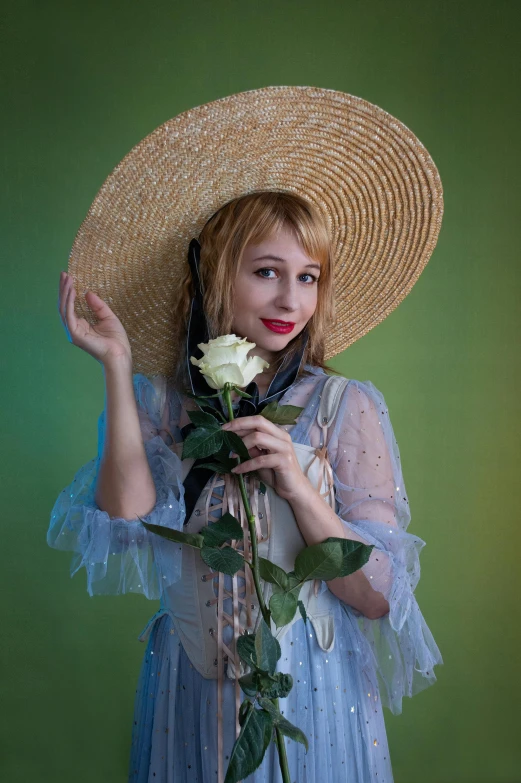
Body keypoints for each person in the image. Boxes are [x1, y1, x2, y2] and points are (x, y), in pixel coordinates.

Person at [47, 87, 444, 782]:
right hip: (189, 693)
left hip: (313, 695)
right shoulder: (162, 402)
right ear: (214, 274)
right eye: (267, 272)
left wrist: (296, 484)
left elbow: (377, 595)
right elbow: (125, 516)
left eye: (308, 277)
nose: (292, 300)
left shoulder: (342, 407)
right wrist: (117, 366)